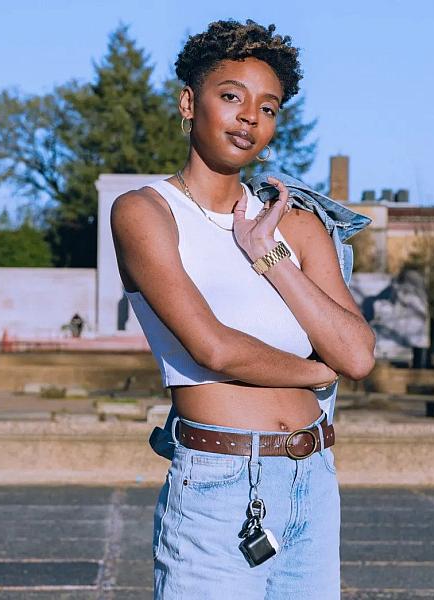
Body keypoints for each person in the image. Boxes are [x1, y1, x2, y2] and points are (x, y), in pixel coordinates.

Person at [110, 19, 375, 599]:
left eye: (269, 107)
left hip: (313, 475)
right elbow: (214, 347)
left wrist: (271, 255)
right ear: (188, 102)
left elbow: (358, 352)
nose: (250, 117)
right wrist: (316, 370)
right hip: (219, 482)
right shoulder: (145, 213)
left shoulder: (297, 224)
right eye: (231, 96)